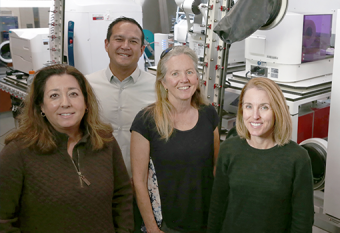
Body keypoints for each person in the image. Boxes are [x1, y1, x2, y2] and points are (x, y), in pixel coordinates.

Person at [0, 64, 133, 233]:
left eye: (73, 94)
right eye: (54, 95)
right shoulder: (18, 152)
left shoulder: (105, 141)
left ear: (86, 102)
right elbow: (2, 220)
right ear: (41, 106)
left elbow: (122, 197)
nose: (65, 103)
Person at [130, 46, 220, 233]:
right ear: (163, 82)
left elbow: (215, 168)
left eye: (189, 72)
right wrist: (153, 228)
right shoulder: (146, 120)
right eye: (175, 73)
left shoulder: (209, 114)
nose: (184, 79)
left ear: (197, 76)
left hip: (206, 221)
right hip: (167, 225)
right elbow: (139, 181)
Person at [208, 77, 314, 233]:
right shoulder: (228, 149)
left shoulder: (298, 158)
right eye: (249, 106)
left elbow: (302, 222)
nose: (255, 115)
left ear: (277, 111)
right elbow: (217, 207)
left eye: (264, 107)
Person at [86, 17, 156, 176]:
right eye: (119, 39)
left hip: (143, 181)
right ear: (106, 44)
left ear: (142, 50)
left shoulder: (158, 89)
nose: (125, 46)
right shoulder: (86, 86)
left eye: (133, 41)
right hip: (98, 180)